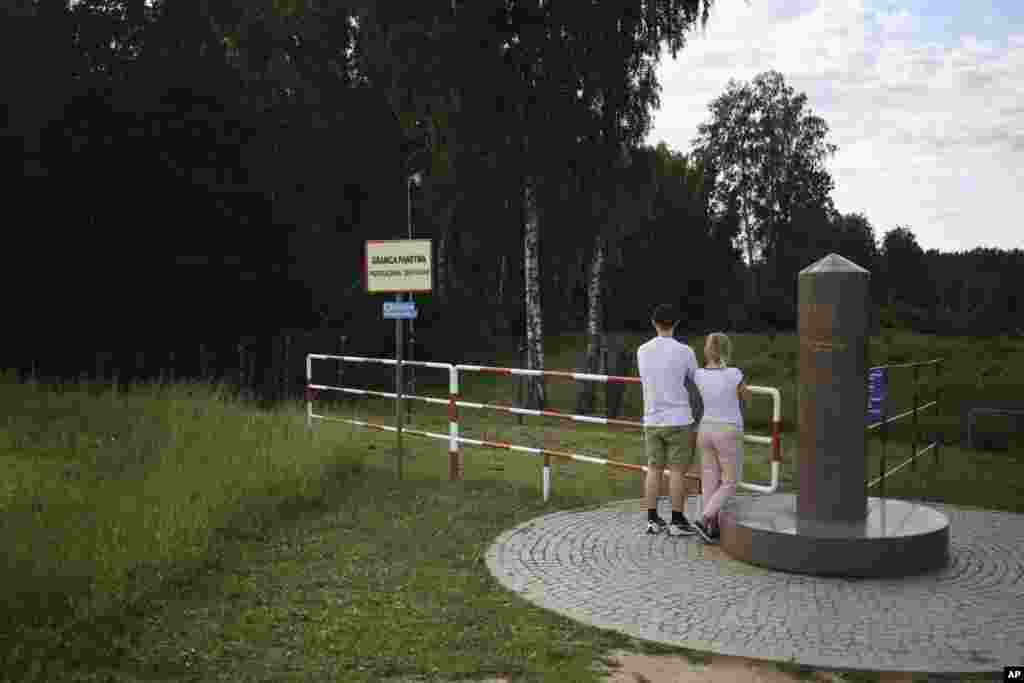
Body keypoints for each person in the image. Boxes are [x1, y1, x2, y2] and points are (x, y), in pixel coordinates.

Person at [636, 304, 699, 536]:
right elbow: (696, 378)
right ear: (676, 324)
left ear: (654, 323)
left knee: (653, 468)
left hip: (652, 418)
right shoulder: (686, 351)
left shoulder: (642, 350)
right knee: (677, 471)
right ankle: (677, 520)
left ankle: (652, 519)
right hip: (679, 418)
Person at [692, 332, 752, 544]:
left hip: (705, 428)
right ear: (727, 350)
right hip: (728, 430)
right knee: (730, 481)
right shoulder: (735, 374)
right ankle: (706, 517)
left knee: (710, 479)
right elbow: (747, 397)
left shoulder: (698, 374)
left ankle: (712, 528)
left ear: (707, 351)